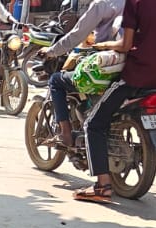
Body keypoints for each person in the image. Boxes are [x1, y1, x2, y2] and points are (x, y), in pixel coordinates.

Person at [76, 0, 156, 201]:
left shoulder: (136, 2)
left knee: (93, 123)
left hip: (137, 77)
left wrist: (104, 45)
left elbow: (125, 45)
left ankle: (102, 186)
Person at [42, 0, 124, 147]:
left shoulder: (102, 4)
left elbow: (78, 34)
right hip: (133, 65)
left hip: (108, 63)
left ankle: (65, 133)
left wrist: (51, 51)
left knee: (56, 80)